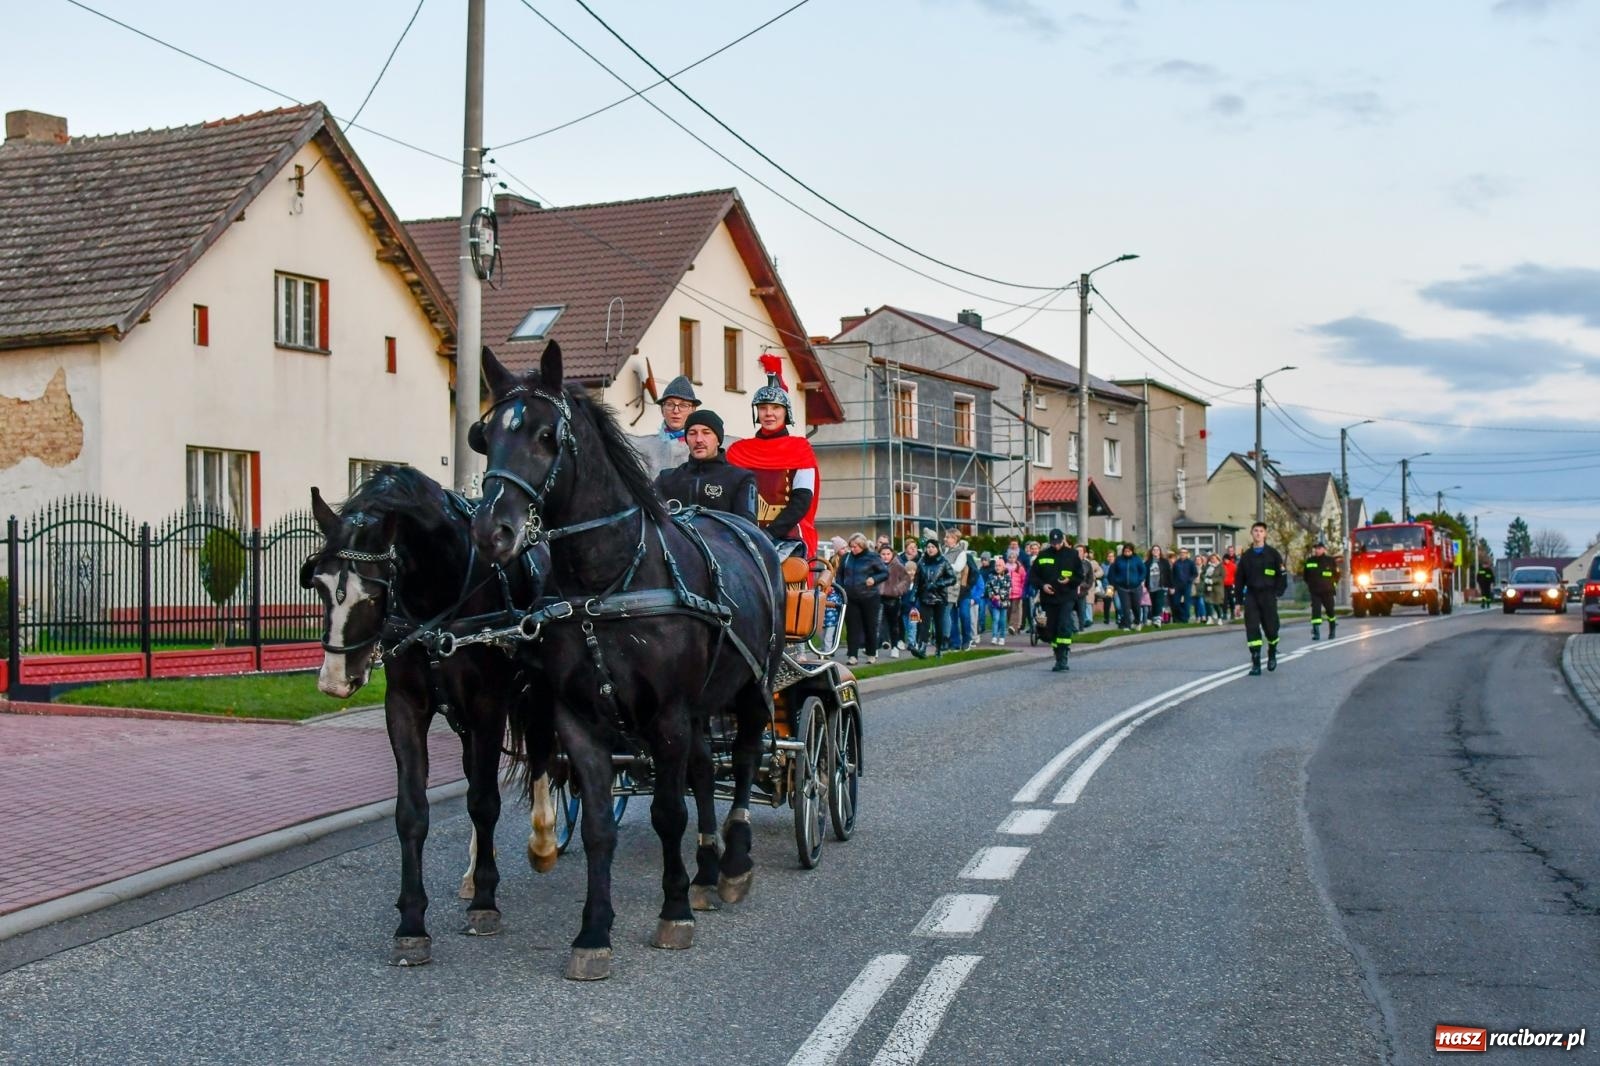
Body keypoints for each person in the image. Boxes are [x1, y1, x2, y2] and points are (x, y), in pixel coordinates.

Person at [727, 355, 820, 558]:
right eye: (763, 408)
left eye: (776, 407)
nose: (769, 413)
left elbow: (802, 500)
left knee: (790, 572)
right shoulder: (738, 451)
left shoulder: (800, 449)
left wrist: (770, 534)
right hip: (743, 532)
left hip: (787, 534)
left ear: (786, 412)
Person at [653, 410, 757, 521]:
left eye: (706, 433)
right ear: (687, 439)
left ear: (718, 440)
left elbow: (747, 525)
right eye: (692, 433)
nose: (699, 440)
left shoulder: (741, 478)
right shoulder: (666, 479)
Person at [1236, 521, 1288, 675]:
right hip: (1252, 596)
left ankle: (1272, 652)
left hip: (1268, 596)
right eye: (1255, 531)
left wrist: (1278, 592)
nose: (1258, 533)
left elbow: (1282, 575)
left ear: (1265, 534)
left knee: (1271, 629)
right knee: (1252, 628)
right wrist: (1238, 602)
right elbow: (1239, 580)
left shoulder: (1273, 554)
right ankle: (1256, 662)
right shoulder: (1246, 556)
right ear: (1251, 534)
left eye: (1261, 531)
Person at [1029, 529, 1085, 672]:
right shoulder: (1043, 555)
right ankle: (1058, 656)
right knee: (1051, 629)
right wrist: (1043, 586)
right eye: (1054, 543)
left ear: (1063, 540)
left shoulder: (1072, 554)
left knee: (1064, 625)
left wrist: (1069, 580)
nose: (1056, 546)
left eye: (1058, 543)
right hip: (1049, 598)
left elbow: (1080, 576)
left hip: (1067, 596)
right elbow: (1033, 576)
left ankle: (1064, 656)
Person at [632, 375, 700, 479]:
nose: (676, 411)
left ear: (693, 410)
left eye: (683, 405)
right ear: (662, 410)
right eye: (669, 404)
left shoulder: (703, 446)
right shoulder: (644, 447)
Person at [837, 532, 889, 665]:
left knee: (870, 626)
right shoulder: (847, 558)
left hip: (869, 596)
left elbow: (884, 572)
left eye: (855, 546)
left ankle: (871, 653)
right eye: (851, 546)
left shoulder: (872, 557)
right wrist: (841, 588)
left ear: (862, 545)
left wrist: (874, 579)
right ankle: (852, 655)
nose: (853, 549)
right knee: (852, 627)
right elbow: (840, 575)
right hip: (851, 597)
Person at [909, 537, 956, 657]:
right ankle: (922, 648)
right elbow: (917, 581)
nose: (930, 549)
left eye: (933, 547)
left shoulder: (943, 562)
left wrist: (939, 584)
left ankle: (938, 648)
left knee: (938, 624)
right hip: (925, 597)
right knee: (924, 623)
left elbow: (952, 578)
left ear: (937, 548)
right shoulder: (922, 562)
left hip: (939, 597)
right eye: (928, 547)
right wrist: (913, 595)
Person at [1301, 540, 1340, 641]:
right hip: (1315, 591)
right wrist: (1311, 584)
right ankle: (1316, 633)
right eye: (1316, 548)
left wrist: (1333, 584)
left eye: (1319, 548)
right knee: (1316, 612)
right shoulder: (1310, 561)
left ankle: (1332, 630)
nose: (1317, 550)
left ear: (1324, 549)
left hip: (1328, 591)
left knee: (1330, 611)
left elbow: (1337, 575)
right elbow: (1305, 576)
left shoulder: (1330, 561)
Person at [879, 546, 911, 658]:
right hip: (878, 598)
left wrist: (897, 590)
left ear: (892, 554)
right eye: (883, 554)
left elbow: (906, 580)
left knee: (894, 624)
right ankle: (876, 647)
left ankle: (894, 647)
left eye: (888, 554)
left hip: (893, 599)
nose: (886, 556)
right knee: (878, 623)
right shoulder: (875, 566)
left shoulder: (898, 566)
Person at [1107, 543, 1147, 630]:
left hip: (1136, 587)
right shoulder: (1118, 560)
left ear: (1132, 551)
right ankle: (1127, 625)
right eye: (1125, 551)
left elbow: (1143, 571)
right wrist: (1115, 583)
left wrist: (1139, 580)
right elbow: (1112, 573)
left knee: (1136, 606)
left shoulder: (1137, 559)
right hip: (1122, 588)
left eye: (1129, 551)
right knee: (1125, 607)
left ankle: (1137, 622)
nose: (1127, 553)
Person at [983, 553, 1011, 645]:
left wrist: (1000, 596)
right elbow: (988, 587)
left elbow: (1008, 589)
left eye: (999, 565)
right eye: (996, 565)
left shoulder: (1007, 576)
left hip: (1004, 602)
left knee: (1002, 620)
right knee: (995, 619)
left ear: (1003, 567)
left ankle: (1002, 637)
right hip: (994, 602)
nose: (997, 567)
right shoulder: (991, 576)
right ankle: (994, 637)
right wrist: (993, 595)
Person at [1146, 545, 1173, 627]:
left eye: (1157, 550)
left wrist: (1171, 586)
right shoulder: (1148, 563)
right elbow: (1144, 574)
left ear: (1160, 552)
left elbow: (1169, 574)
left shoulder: (1164, 562)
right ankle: (1153, 618)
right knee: (1153, 603)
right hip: (1151, 586)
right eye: (1154, 550)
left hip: (1161, 585)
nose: (1156, 551)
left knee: (1159, 601)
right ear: (1151, 552)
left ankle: (1158, 619)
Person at [818, 569, 844, 654]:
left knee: (828, 638)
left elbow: (840, 605)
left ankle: (827, 652)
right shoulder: (819, 594)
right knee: (822, 637)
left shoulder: (836, 595)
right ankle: (823, 651)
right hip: (821, 620)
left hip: (832, 621)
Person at [1172, 547, 1198, 624]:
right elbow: (1173, 574)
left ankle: (1185, 618)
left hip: (1187, 585)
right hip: (1177, 585)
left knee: (1187, 603)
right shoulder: (1176, 563)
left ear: (1187, 554)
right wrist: (1173, 585)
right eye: (1181, 552)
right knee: (1176, 602)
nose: (1182, 554)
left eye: (1184, 552)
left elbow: (1195, 573)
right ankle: (1180, 617)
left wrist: (1190, 579)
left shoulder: (1190, 563)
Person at [1202, 552, 1226, 624]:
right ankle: (1210, 618)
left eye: (1214, 558)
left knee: (1216, 604)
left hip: (1217, 588)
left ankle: (1219, 618)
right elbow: (1202, 574)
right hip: (1208, 588)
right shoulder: (1207, 566)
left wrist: (1212, 580)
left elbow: (1222, 577)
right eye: (1211, 559)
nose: (1212, 560)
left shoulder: (1221, 567)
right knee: (1208, 603)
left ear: (1217, 559)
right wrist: (1205, 579)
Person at [1222, 545, 1240, 620]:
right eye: (1224, 559)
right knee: (1224, 600)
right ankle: (1225, 613)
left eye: (1232, 551)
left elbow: (1237, 574)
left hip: (1231, 584)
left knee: (1232, 599)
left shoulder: (1234, 564)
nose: (1225, 561)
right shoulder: (1222, 566)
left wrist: (1236, 583)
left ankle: (1233, 613)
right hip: (1224, 585)